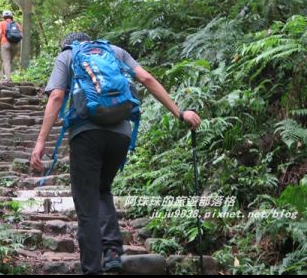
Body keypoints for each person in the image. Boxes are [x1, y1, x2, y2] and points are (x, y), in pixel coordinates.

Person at [30, 32, 201, 275]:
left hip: (86, 135)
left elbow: (57, 96)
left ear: (66, 44)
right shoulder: (114, 51)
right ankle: (112, 252)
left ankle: (92, 269)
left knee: (87, 203)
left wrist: (40, 142)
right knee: (102, 189)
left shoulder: (68, 55)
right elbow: (146, 78)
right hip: (121, 133)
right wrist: (179, 113)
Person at [0, 10, 22, 81]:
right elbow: (21, 35)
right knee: (9, 61)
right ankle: (5, 76)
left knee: (6, 61)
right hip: (15, 45)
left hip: (5, 44)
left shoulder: (2, 23)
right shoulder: (17, 24)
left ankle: (8, 79)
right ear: (11, 17)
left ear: (4, 17)